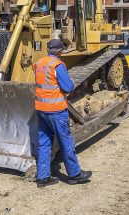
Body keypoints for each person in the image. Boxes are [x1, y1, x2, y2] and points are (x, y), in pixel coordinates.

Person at [34, 39, 92, 187]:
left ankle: (43, 177)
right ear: (60, 51)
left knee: (44, 143)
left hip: (41, 109)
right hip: (56, 111)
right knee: (66, 142)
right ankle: (75, 174)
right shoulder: (58, 65)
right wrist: (70, 81)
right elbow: (67, 87)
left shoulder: (39, 63)